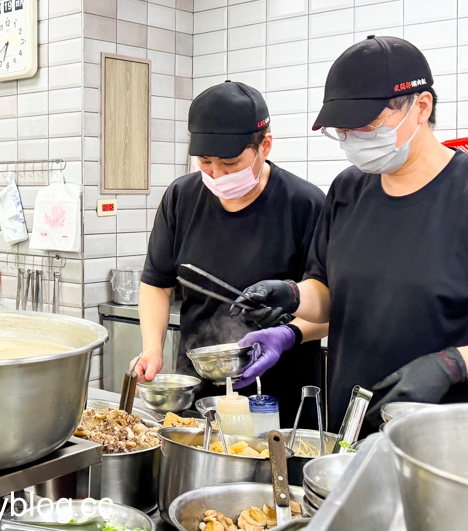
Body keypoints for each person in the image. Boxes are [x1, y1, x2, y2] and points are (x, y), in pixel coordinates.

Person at [231, 36, 468, 434]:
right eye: (342, 131)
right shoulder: (348, 191)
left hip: (445, 445)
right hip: (349, 434)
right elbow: (332, 296)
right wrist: (294, 295)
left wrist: (450, 365)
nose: (354, 140)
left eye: (366, 126)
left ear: (421, 107)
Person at [134, 81, 328, 423]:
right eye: (205, 162)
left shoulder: (306, 205)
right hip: (199, 393)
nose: (217, 174)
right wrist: (152, 346)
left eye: (231, 163)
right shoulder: (182, 197)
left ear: (264, 145)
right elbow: (156, 283)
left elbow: (332, 310)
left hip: (282, 397)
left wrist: (287, 334)